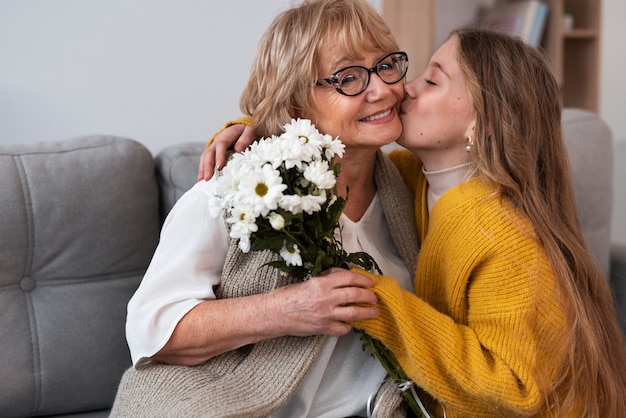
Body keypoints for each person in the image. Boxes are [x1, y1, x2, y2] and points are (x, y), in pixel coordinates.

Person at [202, 29, 626, 417]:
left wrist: (374, 301)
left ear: (483, 124)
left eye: (433, 80)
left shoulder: (504, 237)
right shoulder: (414, 178)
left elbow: (515, 390)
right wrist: (260, 133)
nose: (404, 88)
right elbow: (346, 152)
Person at [111, 1, 421, 417]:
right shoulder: (232, 190)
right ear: (296, 102)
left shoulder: (413, 184)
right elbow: (152, 329)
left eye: (386, 65)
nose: (382, 88)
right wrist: (284, 310)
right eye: (349, 77)